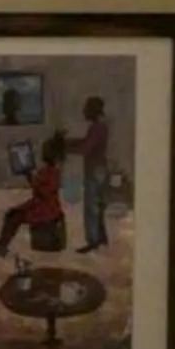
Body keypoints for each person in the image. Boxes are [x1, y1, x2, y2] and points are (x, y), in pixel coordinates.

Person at [0, 136, 68, 255]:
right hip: (41, 205)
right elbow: (39, 186)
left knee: (14, 218)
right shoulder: (48, 170)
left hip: (45, 209)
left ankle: (2, 247)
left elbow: (44, 192)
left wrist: (31, 177)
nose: (43, 153)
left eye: (46, 151)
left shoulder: (53, 172)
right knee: (12, 214)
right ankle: (1, 244)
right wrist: (30, 176)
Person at [71, 95, 112, 252]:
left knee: (91, 207)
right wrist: (70, 142)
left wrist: (66, 149)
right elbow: (87, 142)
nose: (83, 111)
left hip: (94, 171)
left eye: (86, 108)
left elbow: (86, 148)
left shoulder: (96, 128)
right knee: (98, 205)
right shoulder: (100, 126)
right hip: (100, 169)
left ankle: (93, 241)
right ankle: (101, 238)